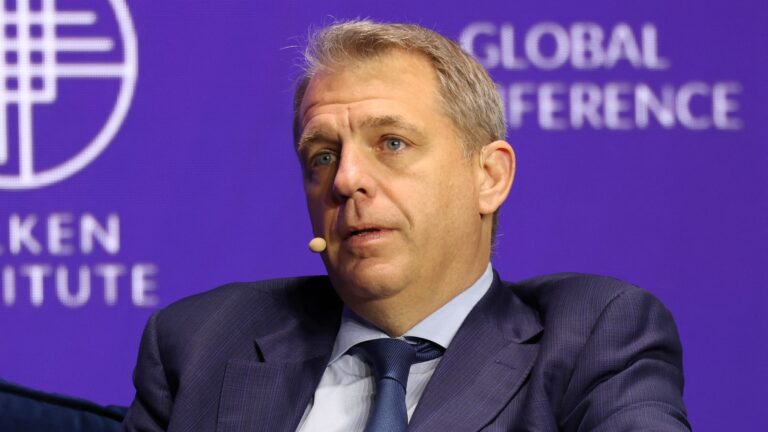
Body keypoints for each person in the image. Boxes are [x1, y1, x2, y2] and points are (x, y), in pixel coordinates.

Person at [122, 21, 690, 431]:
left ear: (489, 177)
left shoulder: (590, 337)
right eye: (323, 155)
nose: (346, 179)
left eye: (391, 143)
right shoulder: (201, 342)